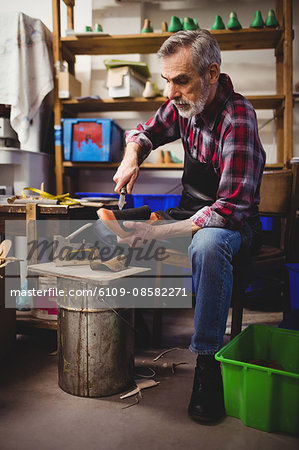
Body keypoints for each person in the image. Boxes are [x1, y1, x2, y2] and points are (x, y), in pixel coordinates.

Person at [111, 29, 266, 423]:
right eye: (167, 80)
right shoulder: (183, 105)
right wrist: (132, 156)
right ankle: (131, 334)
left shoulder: (238, 117)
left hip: (231, 224)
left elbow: (230, 208)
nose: (171, 92)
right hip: (192, 211)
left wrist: (160, 233)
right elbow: (144, 131)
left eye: (181, 80)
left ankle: (207, 363)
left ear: (211, 73)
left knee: (208, 245)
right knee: (116, 227)